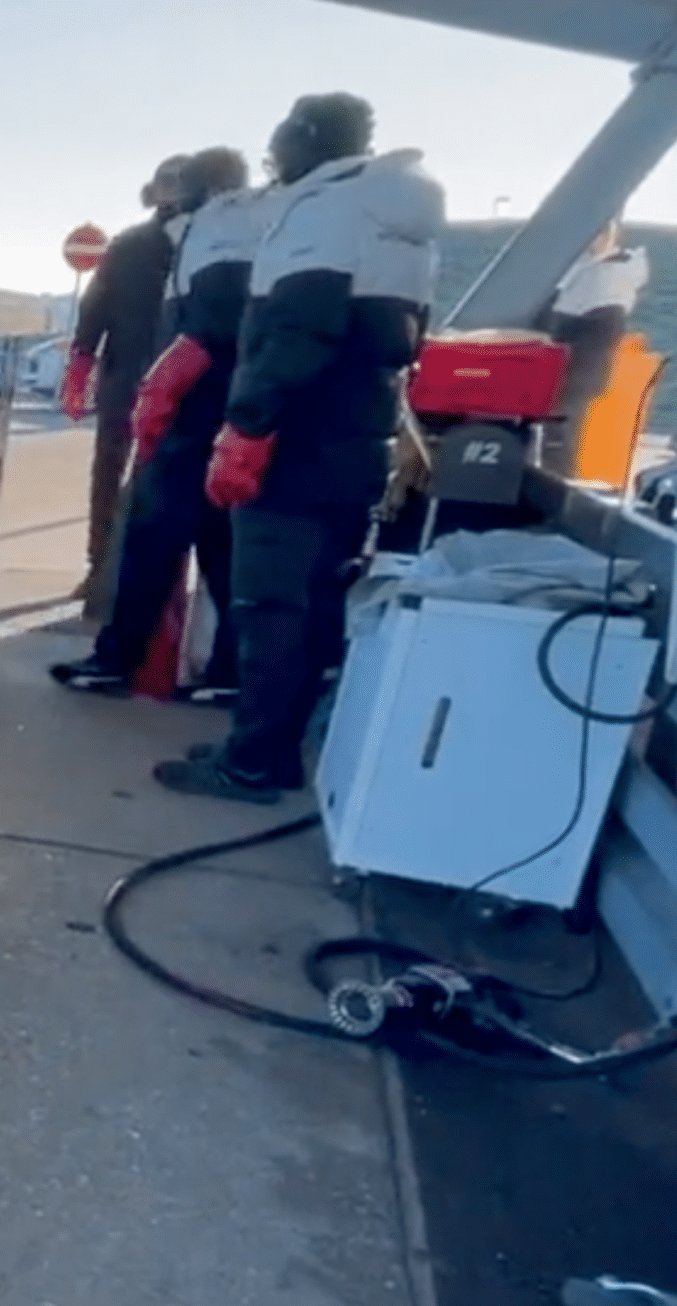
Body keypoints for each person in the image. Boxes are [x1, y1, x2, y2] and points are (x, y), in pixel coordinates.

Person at [155, 93, 445, 805]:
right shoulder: (395, 218)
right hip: (353, 439)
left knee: (267, 606)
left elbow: (295, 329)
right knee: (316, 602)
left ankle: (251, 762)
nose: (272, 148)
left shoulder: (326, 210)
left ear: (308, 135)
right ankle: (278, 743)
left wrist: (246, 427)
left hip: (294, 441)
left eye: (281, 134)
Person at [51, 146, 264, 702]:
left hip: (186, 406)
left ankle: (122, 657)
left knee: (155, 531)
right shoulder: (153, 242)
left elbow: (209, 318)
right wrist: (84, 360)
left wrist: (165, 385)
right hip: (189, 399)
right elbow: (100, 305)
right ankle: (222, 671)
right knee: (215, 541)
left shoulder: (220, 231)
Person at [60, 154, 191, 603]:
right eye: (165, 185)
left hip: (180, 382)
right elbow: (95, 306)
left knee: (161, 480)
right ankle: (101, 568)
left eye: (179, 184)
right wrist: (80, 360)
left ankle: (146, 578)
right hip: (130, 376)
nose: (171, 194)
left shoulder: (206, 242)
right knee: (110, 474)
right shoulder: (128, 246)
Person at [538, 216, 649, 477]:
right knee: (559, 430)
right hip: (577, 366)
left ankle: (556, 486)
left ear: (611, 235)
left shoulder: (610, 274)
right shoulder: (604, 270)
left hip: (581, 367)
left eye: (598, 233)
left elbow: (565, 320)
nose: (591, 240)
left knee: (561, 431)